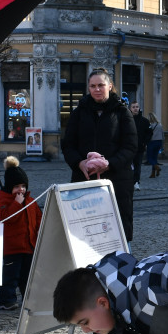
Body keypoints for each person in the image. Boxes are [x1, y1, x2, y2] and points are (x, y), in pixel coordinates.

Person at [61, 69, 138, 241]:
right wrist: (79, 163)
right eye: (92, 86)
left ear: (109, 86)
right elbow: (68, 145)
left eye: (101, 85)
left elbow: (130, 147)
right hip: (84, 180)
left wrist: (110, 164)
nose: (97, 89)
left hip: (117, 181)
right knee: (85, 233)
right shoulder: (79, 112)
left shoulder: (122, 112)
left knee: (118, 232)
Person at [0, 156, 42, 311]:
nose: (21, 189)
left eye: (23, 186)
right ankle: (7, 300)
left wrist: (39, 230)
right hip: (12, 248)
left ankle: (28, 298)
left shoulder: (30, 201)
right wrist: (16, 203)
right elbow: (7, 218)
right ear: (9, 187)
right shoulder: (5, 201)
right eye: (16, 186)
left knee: (27, 276)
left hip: (29, 246)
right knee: (10, 276)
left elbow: (38, 217)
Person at [130, 101, 151, 190]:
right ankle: (129, 181)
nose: (135, 108)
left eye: (137, 107)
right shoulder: (127, 120)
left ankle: (136, 182)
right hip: (128, 147)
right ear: (130, 109)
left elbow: (149, 133)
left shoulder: (144, 121)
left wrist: (144, 143)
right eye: (133, 107)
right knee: (127, 165)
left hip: (139, 147)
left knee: (137, 165)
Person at [146, 112, 164, 179]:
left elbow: (147, 134)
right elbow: (163, 135)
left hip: (151, 142)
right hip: (159, 142)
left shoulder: (150, 125)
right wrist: (162, 144)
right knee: (155, 158)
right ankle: (153, 173)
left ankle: (157, 167)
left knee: (149, 158)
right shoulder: (159, 125)